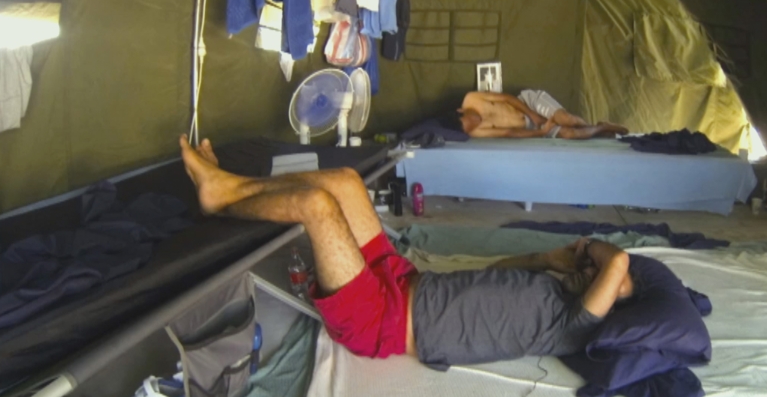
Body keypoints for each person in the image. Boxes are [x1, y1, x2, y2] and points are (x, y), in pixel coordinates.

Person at [179, 136, 633, 367]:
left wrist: (591, 246)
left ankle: (221, 196)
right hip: (400, 276)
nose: (590, 271)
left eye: (599, 282)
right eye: (591, 269)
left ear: (606, 304)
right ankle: (228, 188)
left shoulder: (572, 330)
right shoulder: (552, 294)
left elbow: (620, 262)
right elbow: (492, 273)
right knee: (345, 183)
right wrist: (543, 260)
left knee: (316, 206)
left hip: (380, 321)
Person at [452, 90, 628, 140]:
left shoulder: (472, 98)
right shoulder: (475, 132)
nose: (478, 121)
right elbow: (508, 133)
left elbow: (507, 98)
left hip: (528, 103)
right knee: (569, 133)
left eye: (474, 118)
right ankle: (601, 127)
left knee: (566, 120)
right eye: (475, 124)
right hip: (528, 126)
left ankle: (594, 126)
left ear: (461, 111)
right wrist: (540, 132)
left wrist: (532, 114)